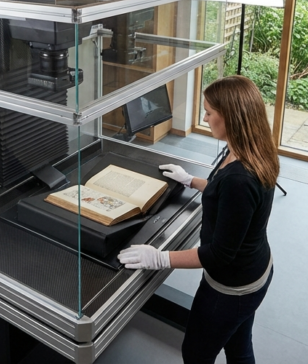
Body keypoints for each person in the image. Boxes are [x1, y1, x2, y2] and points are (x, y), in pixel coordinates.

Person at [118, 75, 279, 364]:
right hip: (256, 270)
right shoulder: (251, 148)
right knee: (239, 347)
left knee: (196, 354)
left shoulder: (240, 179)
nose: (204, 119)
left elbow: (218, 255)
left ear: (231, 117)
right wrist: (191, 180)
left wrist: (160, 258)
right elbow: (229, 197)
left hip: (231, 289)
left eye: (209, 112)